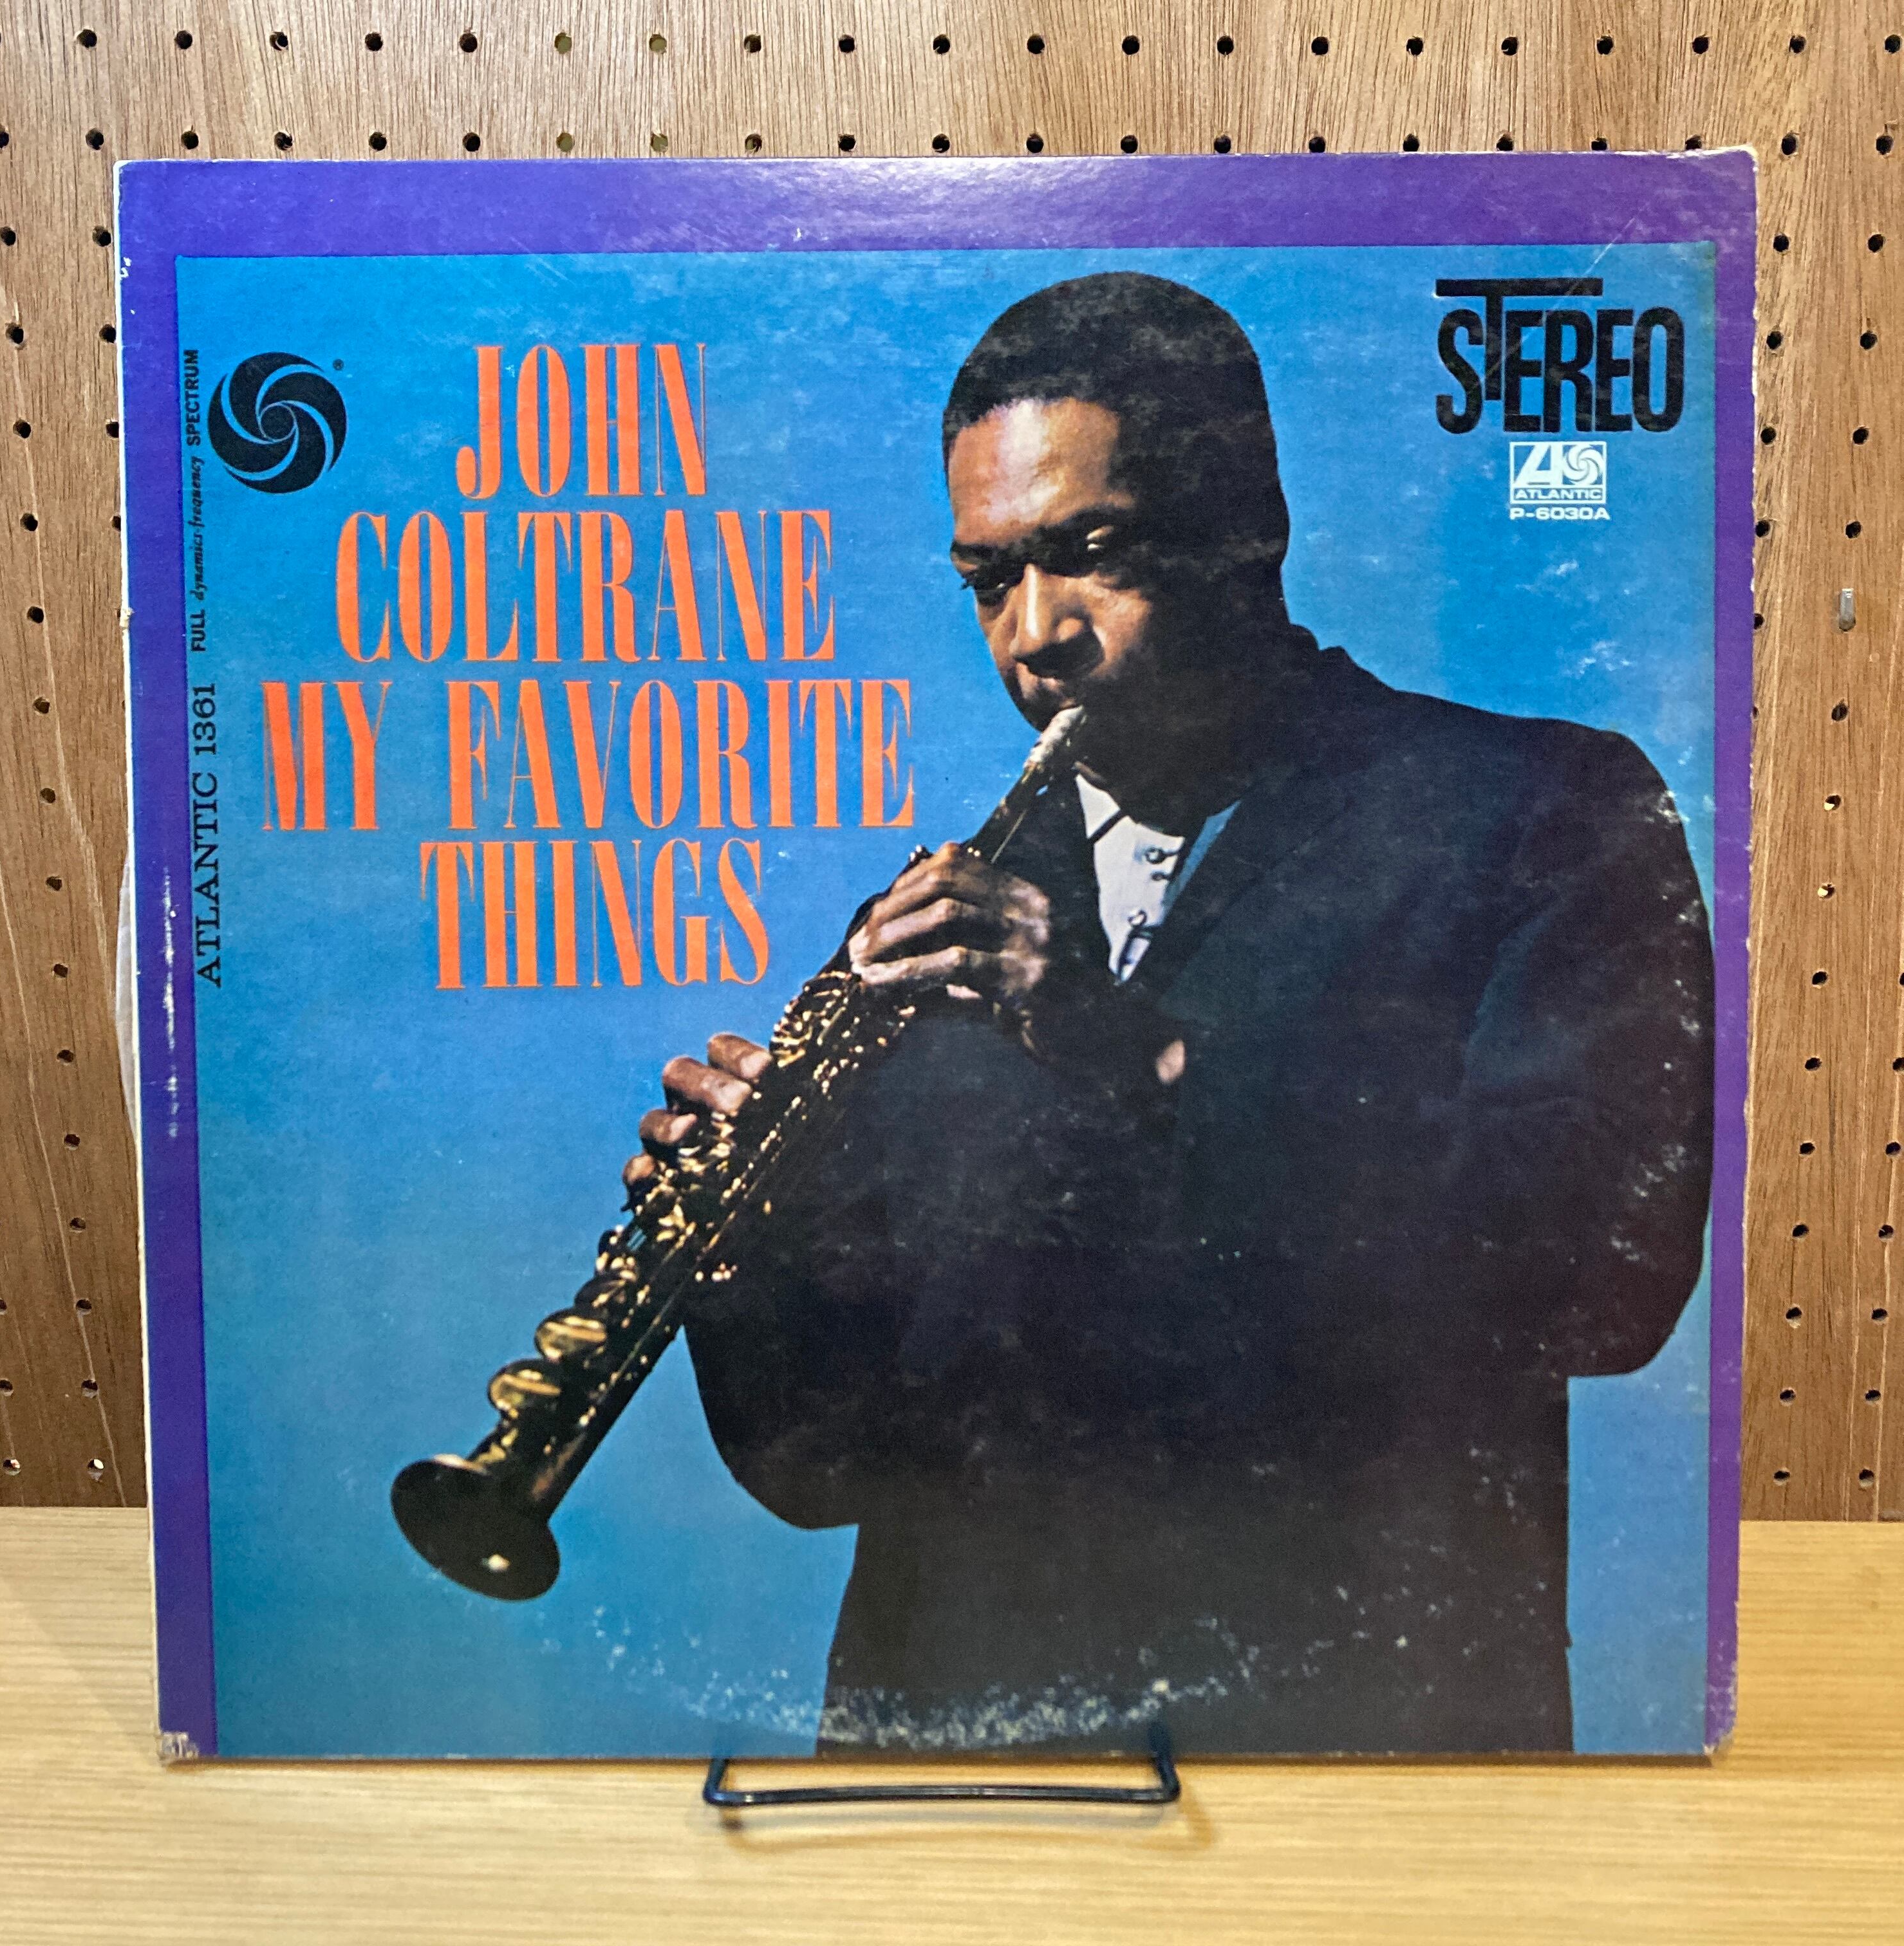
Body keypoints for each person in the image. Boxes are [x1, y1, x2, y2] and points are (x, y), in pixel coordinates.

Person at [624, 273, 1713, 1755]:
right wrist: (742, 1253)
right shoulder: (932, 926)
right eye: (988, 580)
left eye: (1091, 554)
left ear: (1246, 529)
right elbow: (824, 1473)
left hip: (1350, 1766)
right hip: (956, 1784)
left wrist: (1128, 1049)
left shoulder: (1545, 811)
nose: (1034, 634)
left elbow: (1605, 1285)